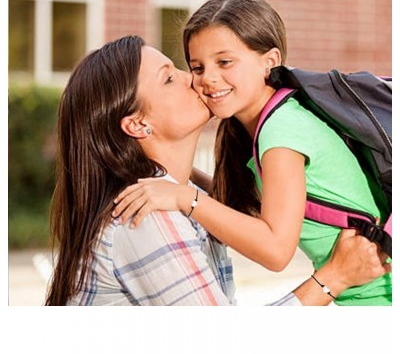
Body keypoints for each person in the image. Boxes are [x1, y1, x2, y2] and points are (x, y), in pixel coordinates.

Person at [44, 35, 388, 306]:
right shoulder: (147, 215)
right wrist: (334, 277)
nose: (194, 80)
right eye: (169, 79)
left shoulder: (169, 194)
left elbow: (238, 216)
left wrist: (189, 185)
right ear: (138, 124)